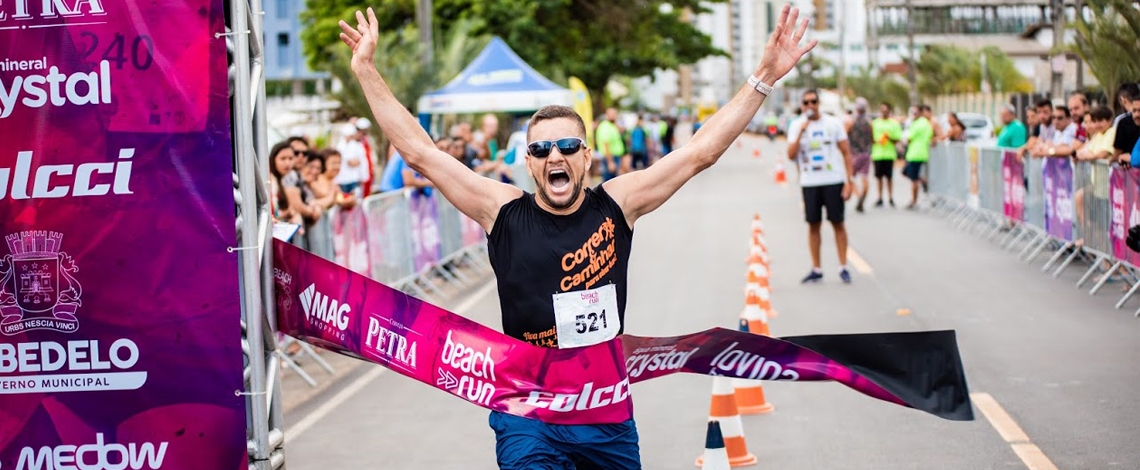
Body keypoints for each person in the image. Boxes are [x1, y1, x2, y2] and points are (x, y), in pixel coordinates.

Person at [337, 6, 816, 468]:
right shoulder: (501, 210)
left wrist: (763, 79)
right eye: (542, 149)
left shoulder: (617, 204)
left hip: (604, 411)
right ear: (529, 163)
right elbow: (421, 153)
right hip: (528, 412)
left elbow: (698, 153)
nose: (555, 156)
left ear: (585, 156)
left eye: (567, 146)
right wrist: (366, 71)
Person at [786, 89, 854, 284]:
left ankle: (843, 267)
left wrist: (849, 181)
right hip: (810, 182)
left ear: (819, 103)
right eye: (806, 103)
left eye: (813, 102)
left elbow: (846, 153)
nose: (810, 106)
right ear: (802, 105)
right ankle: (817, 268)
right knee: (813, 225)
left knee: (837, 223)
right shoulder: (797, 125)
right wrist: (801, 131)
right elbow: (791, 155)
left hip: (833, 181)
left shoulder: (833, 124)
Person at [902, 105, 934, 209]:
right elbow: (930, 136)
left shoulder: (917, 124)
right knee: (907, 172)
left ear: (920, 113)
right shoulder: (927, 123)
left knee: (913, 179)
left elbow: (909, 138)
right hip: (922, 153)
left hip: (914, 154)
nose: (913, 115)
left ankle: (914, 201)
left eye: (915, 113)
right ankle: (923, 181)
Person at [871, 102, 902, 208]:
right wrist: (876, 141)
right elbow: (870, 138)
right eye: (882, 111)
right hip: (878, 154)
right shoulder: (875, 123)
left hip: (889, 154)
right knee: (879, 177)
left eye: (886, 111)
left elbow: (897, 138)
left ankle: (890, 197)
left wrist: (889, 138)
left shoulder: (894, 123)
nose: (884, 113)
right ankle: (880, 198)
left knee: (889, 177)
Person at [846, 98, 873, 212]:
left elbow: (844, 137)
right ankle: (863, 195)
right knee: (865, 177)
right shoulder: (869, 122)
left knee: (850, 177)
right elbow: (872, 139)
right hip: (866, 153)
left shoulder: (852, 121)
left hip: (855, 154)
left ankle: (858, 196)